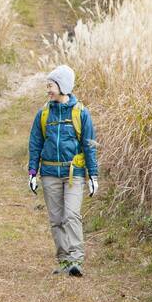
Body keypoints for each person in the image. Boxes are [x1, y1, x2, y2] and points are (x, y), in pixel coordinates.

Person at [27, 64, 98, 277]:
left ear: (63, 85)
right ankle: (64, 260)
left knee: (72, 215)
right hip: (49, 174)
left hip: (73, 174)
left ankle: (76, 259)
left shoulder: (80, 113)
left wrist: (93, 174)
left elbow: (89, 145)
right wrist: (32, 172)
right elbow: (35, 143)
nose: (48, 89)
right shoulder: (44, 114)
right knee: (56, 219)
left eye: (51, 85)